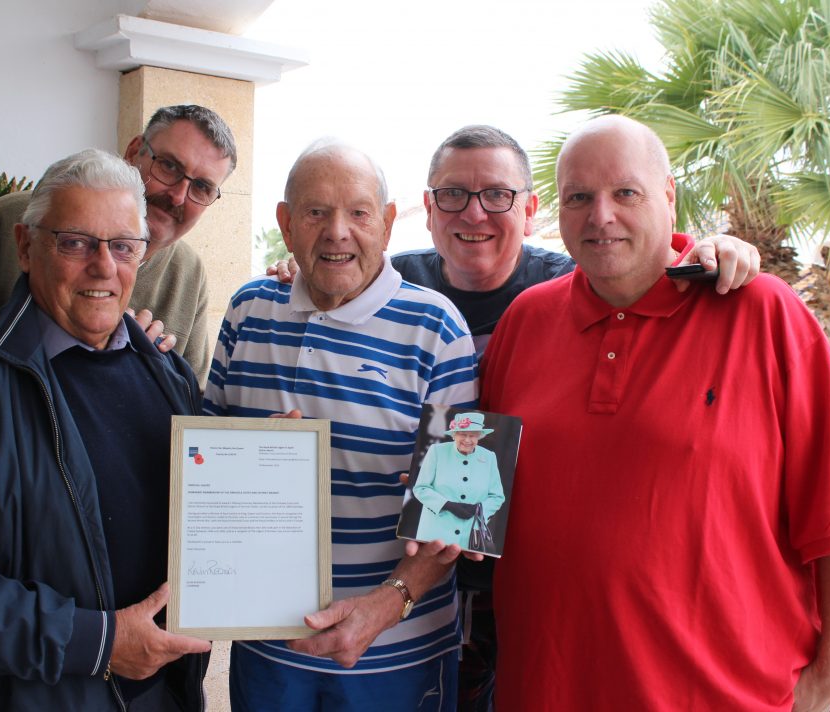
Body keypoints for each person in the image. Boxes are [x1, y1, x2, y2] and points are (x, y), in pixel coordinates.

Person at [271, 123, 763, 711]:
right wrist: (297, 268)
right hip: (435, 587)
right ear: (427, 210)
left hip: (532, 595)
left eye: (497, 196)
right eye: (453, 194)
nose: (474, 213)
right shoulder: (393, 287)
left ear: (529, 210)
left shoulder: (572, 285)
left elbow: (644, 269)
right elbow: (330, 265)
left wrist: (711, 250)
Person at [478, 115, 830, 711]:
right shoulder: (525, 320)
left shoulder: (760, 312)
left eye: (626, 192)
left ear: (668, 196)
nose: (601, 216)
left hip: (727, 696)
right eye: (579, 197)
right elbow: (478, 490)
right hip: (544, 689)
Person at [0, 149, 213, 711]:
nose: (104, 266)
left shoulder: (168, 375)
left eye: (123, 247)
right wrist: (100, 644)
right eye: (75, 242)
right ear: (26, 248)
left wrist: (269, 461)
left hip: (159, 694)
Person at [203, 139, 477, 711]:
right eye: (315, 211)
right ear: (285, 222)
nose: (337, 231)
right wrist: (249, 461)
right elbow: (202, 465)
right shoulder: (248, 309)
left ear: (388, 221)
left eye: (358, 211)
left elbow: (461, 514)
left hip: (398, 652)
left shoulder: (438, 326)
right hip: (269, 650)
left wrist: (385, 605)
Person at [0, 104, 237, 404]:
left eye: (202, 187)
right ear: (134, 151)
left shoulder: (189, 274)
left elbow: (190, 415)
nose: (177, 195)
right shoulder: (11, 220)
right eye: (169, 166)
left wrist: (157, 370)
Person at [413, 412, 504, 552]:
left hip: (468, 537)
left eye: (473, 435)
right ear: (454, 434)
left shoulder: (489, 457)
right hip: (433, 532)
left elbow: (497, 496)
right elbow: (421, 488)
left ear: (479, 436)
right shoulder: (437, 451)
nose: (468, 440)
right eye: (463, 434)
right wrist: (447, 505)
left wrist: (479, 510)